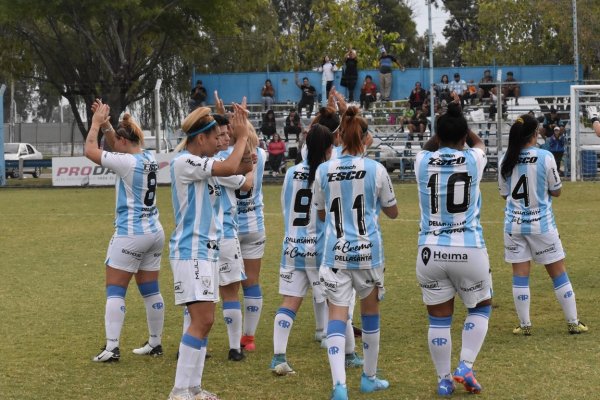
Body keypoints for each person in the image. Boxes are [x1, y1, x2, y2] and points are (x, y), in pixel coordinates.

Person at [314, 106, 398, 400]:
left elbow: (322, 213)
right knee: (370, 313)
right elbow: (393, 212)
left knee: (336, 316)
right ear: (364, 139)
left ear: (339, 137)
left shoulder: (323, 170)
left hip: (334, 253)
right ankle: (369, 378)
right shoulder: (377, 169)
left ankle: (339, 386)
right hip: (367, 253)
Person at [167, 104, 252, 400]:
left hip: (206, 253)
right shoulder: (185, 162)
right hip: (192, 252)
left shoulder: (207, 164)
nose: (220, 140)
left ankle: (193, 388)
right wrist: (240, 138)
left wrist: (245, 134)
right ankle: (180, 391)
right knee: (202, 321)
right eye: (216, 136)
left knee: (202, 322)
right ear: (200, 138)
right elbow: (231, 167)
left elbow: (245, 168)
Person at [415, 98, 492, 396]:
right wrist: (460, 118)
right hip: (469, 247)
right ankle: (466, 365)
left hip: (430, 251)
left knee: (439, 318)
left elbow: (432, 143)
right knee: (481, 306)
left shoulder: (422, 160)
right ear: (463, 137)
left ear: (437, 133)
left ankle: (444, 380)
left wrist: (446, 118)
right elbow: (479, 141)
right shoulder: (474, 158)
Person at [86, 101, 166, 363]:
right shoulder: (148, 156)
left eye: (115, 139)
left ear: (123, 140)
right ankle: (155, 343)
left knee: (115, 290)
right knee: (151, 290)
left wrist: (97, 124)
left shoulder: (126, 163)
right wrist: (109, 125)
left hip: (131, 233)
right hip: (154, 232)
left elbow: (90, 150)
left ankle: (112, 347)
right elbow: (116, 144)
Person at [499, 114, 588, 337]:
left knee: (520, 274)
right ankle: (573, 322)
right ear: (534, 133)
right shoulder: (545, 156)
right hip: (542, 225)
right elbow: (556, 191)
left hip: (514, 225)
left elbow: (504, 194)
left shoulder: (505, 158)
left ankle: (525, 324)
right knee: (558, 273)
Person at [269, 123, 334, 376]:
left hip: (292, 247)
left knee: (289, 302)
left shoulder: (291, 172)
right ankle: (346, 353)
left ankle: (278, 357)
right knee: (336, 301)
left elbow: (285, 205)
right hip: (319, 248)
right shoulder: (327, 173)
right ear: (328, 149)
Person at [214, 114, 255, 362]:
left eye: (228, 134)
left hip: (200, 239)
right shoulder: (224, 163)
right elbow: (246, 182)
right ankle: (234, 348)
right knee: (230, 292)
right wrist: (244, 139)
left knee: (198, 295)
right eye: (221, 134)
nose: (225, 137)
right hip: (225, 234)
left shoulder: (188, 161)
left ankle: (196, 344)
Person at [237, 122, 268, 352]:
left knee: (225, 287)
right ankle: (249, 338)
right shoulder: (263, 154)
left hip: (229, 226)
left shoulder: (228, 154)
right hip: (254, 223)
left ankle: (230, 338)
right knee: (252, 283)